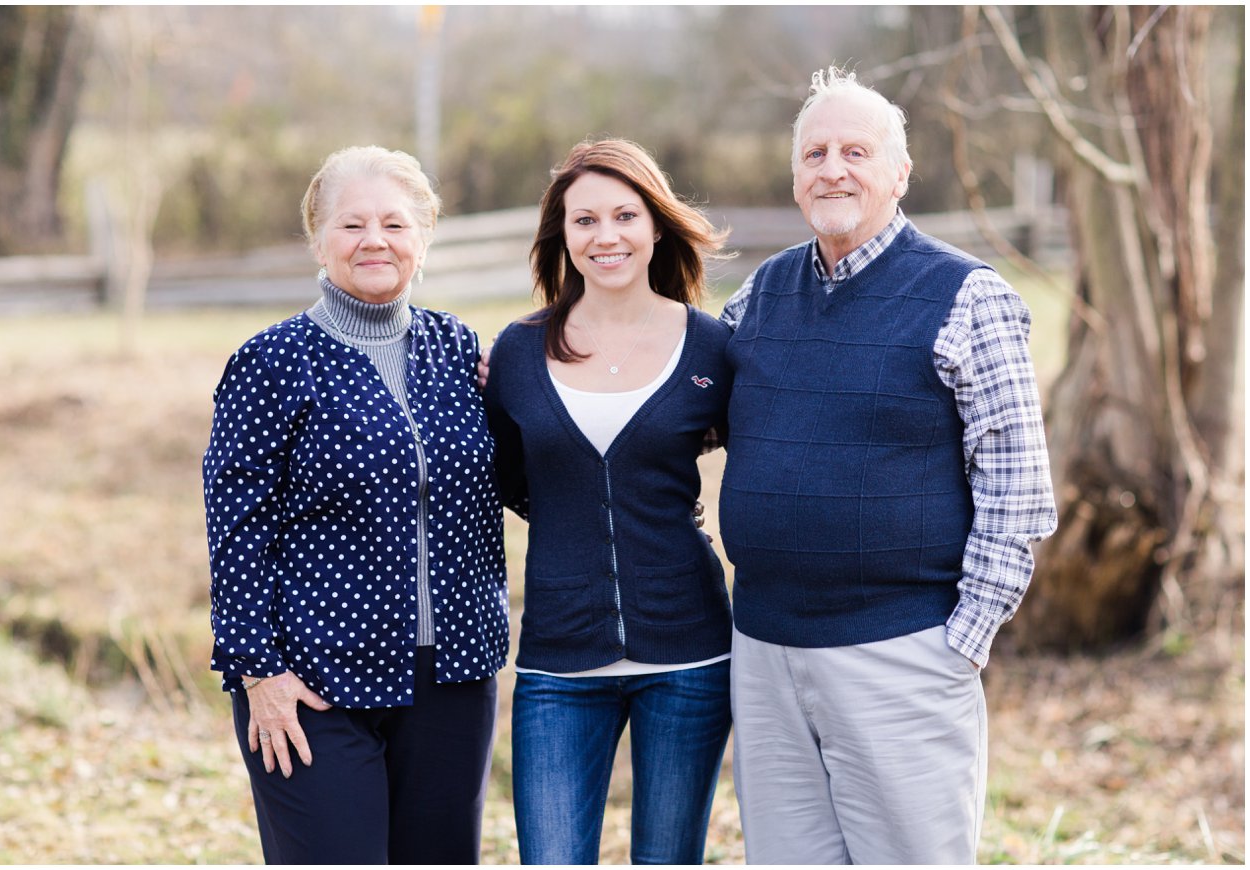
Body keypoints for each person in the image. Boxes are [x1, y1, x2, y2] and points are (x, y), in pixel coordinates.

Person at [718, 67, 1059, 864]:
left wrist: (961, 644)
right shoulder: (761, 293)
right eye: (814, 154)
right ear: (795, 176)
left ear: (900, 173)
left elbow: (1018, 489)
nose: (832, 170)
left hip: (901, 655)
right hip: (765, 657)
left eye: (856, 152)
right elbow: (685, 410)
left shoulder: (966, 295)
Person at [202, 145, 508, 865]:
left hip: (454, 675)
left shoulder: (458, 349)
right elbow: (235, 530)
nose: (375, 240)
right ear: (318, 240)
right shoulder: (272, 362)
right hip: (313, 684)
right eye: (352, 225)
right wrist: (257, 673)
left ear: (423, 239)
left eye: (395, 225)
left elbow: (514, 479)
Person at [482, 139, 734, 865]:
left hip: (690, 656)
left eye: (625, 215)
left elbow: (756, 457)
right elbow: (508, 478)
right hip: (558, 665)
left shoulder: (712, 349)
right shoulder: (519, 353)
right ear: (562, 235)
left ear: (655, 224)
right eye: (585, 220)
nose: (606, 236)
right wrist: (587, 517)